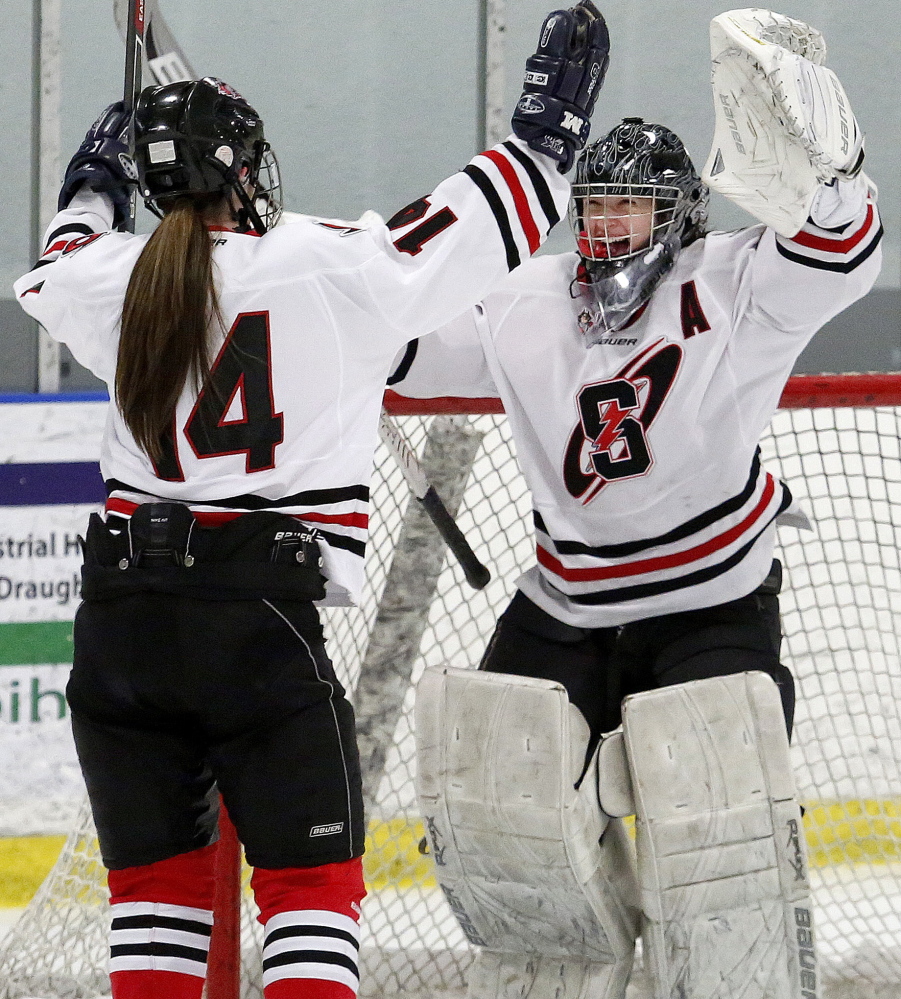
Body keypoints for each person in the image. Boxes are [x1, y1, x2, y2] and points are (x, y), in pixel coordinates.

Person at [11, 6, 610, 997]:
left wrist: (91, 178)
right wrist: (548, 126)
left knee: (154, 903)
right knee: (311, 893)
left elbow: (68, 238)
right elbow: (481, 219)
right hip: (258, 632)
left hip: (118, 635)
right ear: (244, 172)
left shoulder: (105, 279)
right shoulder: (330, 263)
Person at [397, 10, 882, 999]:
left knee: (721, 822)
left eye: (630, 209)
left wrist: (832, 171)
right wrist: (286, 295)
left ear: (679, 217)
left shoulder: (736, 283)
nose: (606, 228)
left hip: (709, 604)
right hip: (565, 609)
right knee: (502, 809)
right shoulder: (524, 300)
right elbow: (395, 339)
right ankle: (565, 975)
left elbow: (844, 254)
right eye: (595, 207)